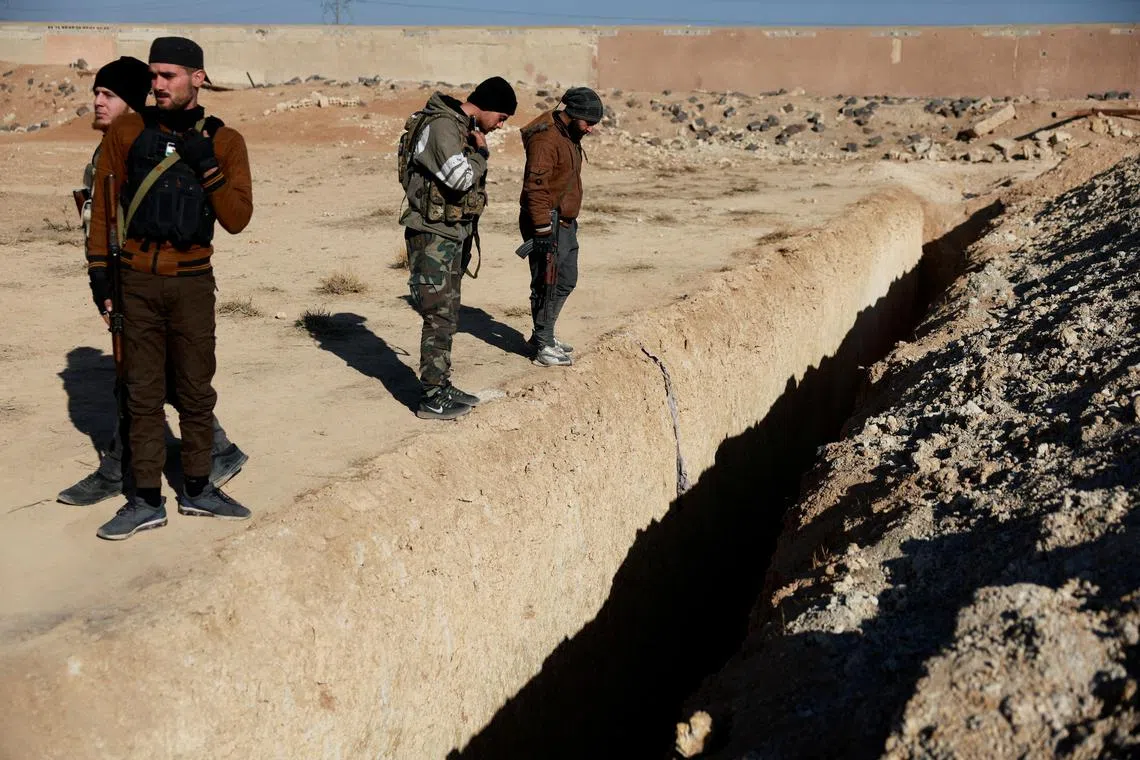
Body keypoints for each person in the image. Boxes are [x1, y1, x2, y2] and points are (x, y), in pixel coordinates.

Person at [58, 55, 247, 508]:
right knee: (146, 382)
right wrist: (101, 279)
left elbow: (233, 216)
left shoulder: (189, 140)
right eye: (96, 93)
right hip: (132, 278)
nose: (98, 102)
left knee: (167, 381)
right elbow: (101, 220)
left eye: (109, 95)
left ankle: (168, 466)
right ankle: (158, 470)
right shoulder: (116, 146)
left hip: (174, 280)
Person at [398, 76, 517, 419]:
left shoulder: (457, 125)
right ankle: (431, 396)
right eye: (501, 117)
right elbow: (460, 179)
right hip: (432, 236)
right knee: (438, 314)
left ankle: (441, 385)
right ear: (488, 106)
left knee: (447, 313)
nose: (500, 125)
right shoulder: (443, 127)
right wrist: (481, 154)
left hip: (448, 234)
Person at [518, 87, 603, 367]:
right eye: (588, 122)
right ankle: (543, 347)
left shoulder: (568, 134)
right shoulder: (546, 139)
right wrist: (542, 229)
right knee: (547, 282)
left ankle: (544, 334)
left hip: (564, 221)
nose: (590, 129)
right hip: (547, 221)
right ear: (574, 114)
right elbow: (536, 187)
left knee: (565, 279)